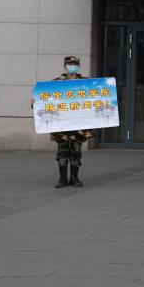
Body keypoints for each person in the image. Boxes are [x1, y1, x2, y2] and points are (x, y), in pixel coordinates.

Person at [50, 55, 93, 188]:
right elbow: (45, 101)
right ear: (65, 66)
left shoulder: (87, 83)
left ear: (78, 67)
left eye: (74, 64)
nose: (72, 67)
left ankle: (74, 178)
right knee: (62, 152)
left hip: (79, 125)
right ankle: (62, 179)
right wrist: (35, 102)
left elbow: (96, 99)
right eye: (69, 64)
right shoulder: (56, 83)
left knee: (76, 151)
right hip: (61, 125)